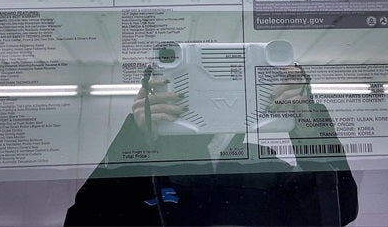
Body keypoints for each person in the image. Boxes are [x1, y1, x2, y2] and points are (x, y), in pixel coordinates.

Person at [65, 64, 358, 226]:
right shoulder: (152, 170)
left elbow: (338, 211)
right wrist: (138, 135)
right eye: (204, 91)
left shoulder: (261, 163)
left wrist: (308, 128)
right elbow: (83, 220)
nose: (218, 102)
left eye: (229, 92)